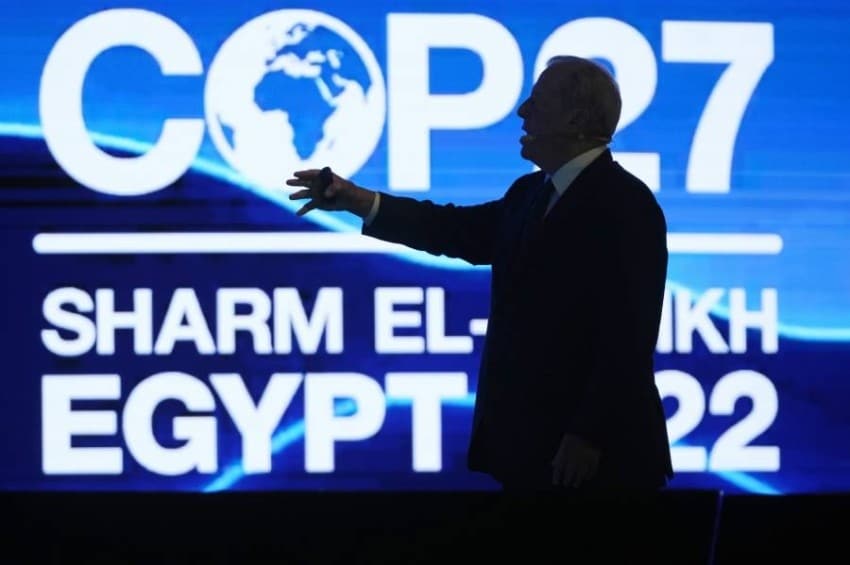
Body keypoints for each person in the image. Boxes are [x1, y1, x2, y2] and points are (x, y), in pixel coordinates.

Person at [286, 55, 673, 493]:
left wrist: (588, 433)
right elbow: (454, 230)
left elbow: (629, 335)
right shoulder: (529, 194)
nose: (522, 112)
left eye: (537, 101)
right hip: (531, 450)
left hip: (600, 462)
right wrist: (357, 200)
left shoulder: (627, 204)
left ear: (575, 119)